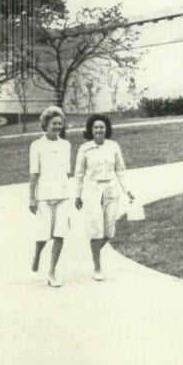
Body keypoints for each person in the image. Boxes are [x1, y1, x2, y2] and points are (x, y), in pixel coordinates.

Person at [74, 114, 133, 281]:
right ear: (90, 130)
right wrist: (77, 195)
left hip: (110, 189)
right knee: (96, 228)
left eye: (101, 127)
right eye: (95, 127)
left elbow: (120, 170)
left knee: (108, 230)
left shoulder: (113, 146)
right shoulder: (84, 149)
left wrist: (127, 190)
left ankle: (93, 254)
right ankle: (97, 266)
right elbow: (78, 174)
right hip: (91, 189)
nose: (99, 130)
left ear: (106, 129)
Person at [29, 106, 72, 287]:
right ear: (45, 124)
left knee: (60, 233)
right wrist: (31, 197)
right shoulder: (37, 145)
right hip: (44, 195)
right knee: (43, 235)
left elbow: (67, 171)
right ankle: (37, 254)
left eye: (60, 124)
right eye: (53, 123)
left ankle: (52, 272)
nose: (57, 127)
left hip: (62, 193)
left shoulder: (66, 145)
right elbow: (34, 173)